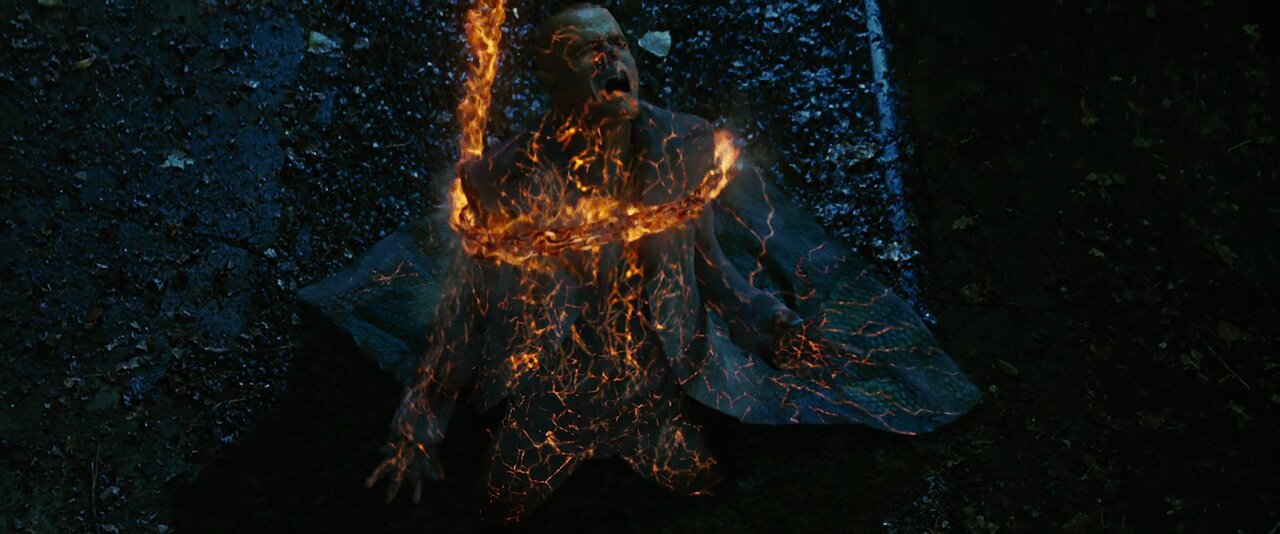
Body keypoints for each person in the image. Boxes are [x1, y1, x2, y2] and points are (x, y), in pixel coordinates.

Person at [305, 3, 980, 524]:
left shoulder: (685, 148)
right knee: (496, 508)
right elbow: (465, 306)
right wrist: (422, 416)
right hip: (552, 398)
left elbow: (712, 270)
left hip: (654, 389)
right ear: (551, 78)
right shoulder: (507, 179)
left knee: (706, 488)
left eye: (618, 43)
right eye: (584, 50)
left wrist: (777, 329)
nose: (610, 57)